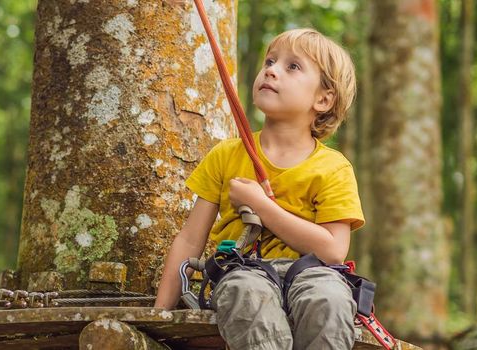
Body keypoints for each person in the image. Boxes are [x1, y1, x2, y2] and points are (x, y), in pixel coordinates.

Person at [153, 28, 363, 350]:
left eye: (293, 67)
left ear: (323, 99)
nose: (271, 70)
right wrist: (159, 315)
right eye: (270, 61)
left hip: (313, 275)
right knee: (245, 293)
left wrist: (260, 206)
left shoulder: (333, 168)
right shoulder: (226, 155)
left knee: (331, 299)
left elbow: (333, 250)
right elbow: (190, 239)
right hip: (243, 270)